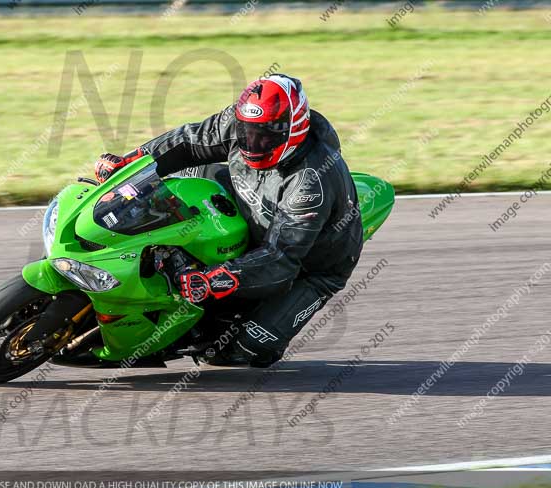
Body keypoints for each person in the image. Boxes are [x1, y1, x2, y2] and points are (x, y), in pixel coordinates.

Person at [94, 74, 363, 367]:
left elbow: (282, 257)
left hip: (308, 264)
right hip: (249, 196)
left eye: (265, 135)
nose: (252, 143)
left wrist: (214, 277)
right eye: (247, 131)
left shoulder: (310, 182)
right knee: (174, 186)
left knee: (238, 350)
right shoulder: (238, 124)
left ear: (292, 130)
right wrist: (132, 161)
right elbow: (187, 143)